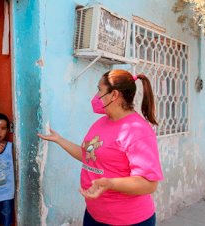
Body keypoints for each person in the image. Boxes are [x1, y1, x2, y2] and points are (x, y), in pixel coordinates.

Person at [38, 69, 163, 226]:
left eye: (99, 90)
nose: (96, 96)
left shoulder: (137, 131)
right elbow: (89, 156)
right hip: (94, 215)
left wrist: (110, 184)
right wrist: (59, 140)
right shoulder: (101, 123)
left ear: (114, 95)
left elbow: (149, 184)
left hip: (127, 220)